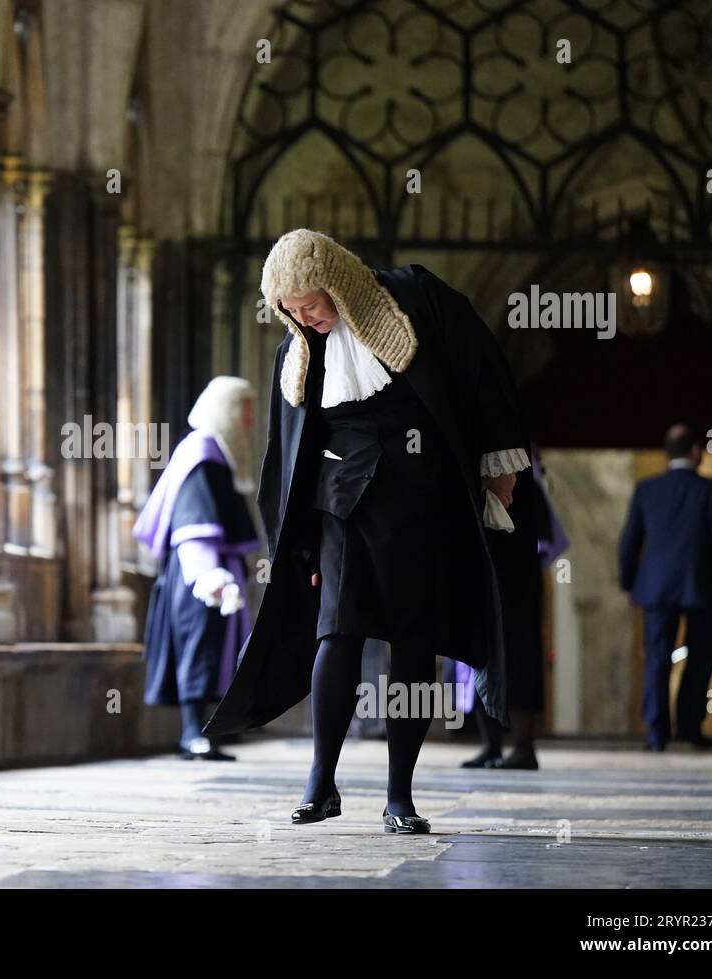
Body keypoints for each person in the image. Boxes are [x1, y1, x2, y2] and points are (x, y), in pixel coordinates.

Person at [202, 228, 531, 834]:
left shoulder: (418, 302)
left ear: (340, 284)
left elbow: (482, 373)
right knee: (337, 633)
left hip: (422, 500)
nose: (304, 319)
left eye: (313, 305)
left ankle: (399, 797)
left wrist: (499, 466)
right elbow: (292, 456)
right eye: (291, 311)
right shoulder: (297, 350)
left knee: (412, 642)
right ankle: (320, 783)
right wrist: (297, 544)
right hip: (340, 507)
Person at [133, 377, 262, 760]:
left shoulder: (213, 453)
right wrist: (208, 575)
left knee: (215, 648)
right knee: (199, 647)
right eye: (246, 409)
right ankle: (192, 734)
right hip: (199, 574)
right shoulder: (202, 452)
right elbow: (193, 520)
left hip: (213, 571)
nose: (250, 420)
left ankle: (207, 732)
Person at [619, 423, 712, 751]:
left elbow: (630, 541)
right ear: (695, 451)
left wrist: (628, 583)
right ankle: (690, 727)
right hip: (700, 587)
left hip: (656, 587)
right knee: (701, 657)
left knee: (657, 658)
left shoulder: (647, 489)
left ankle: (656, 733)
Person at [459, 445, 568, 770]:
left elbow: (545, 542)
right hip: (491, 579)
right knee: (479, 656)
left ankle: (522, 745)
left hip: (517, 584)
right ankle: (491, 744)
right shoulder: (480, 480)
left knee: (518, 659)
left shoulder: (526, 485)